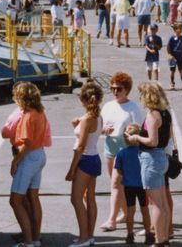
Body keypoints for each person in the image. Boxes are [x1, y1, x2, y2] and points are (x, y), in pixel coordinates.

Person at [126, 82, 173, 247]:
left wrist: (136, 137)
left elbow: (152, 141)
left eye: (142, 96)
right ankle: (165, 237)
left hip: (152, 159)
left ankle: (159, 240)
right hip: (161, 158)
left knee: (156, 204)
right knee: (162, 202)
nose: (140, 99)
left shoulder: (153, 115)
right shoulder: (165, 113)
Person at [101, 72, 145, 233]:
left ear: (126, 90)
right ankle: (126, 213)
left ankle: (111, 219)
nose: (115, 92)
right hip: (110, 143)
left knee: (116, 183)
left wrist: (128, 133)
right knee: (116, 183)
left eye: (118, 89)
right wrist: (103, 129)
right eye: (112, 88)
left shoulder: (132, 107)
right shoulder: (108, 106)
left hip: (125, 146)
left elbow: (138, 129)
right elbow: (99, 126)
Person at [9, 82, 49, 247]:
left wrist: (15, 160)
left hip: (29, 157)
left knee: (15, 200)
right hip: (40, 154)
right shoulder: (40, 112)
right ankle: (35, 237)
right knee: (33, 197)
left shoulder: (27, 115)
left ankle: (28, 240)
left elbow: (27, 143)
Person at [67, 81, 104, 247]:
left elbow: (80, 147)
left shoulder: (87, 119)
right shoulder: (97, 117)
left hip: (85, 160)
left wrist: (72, 169)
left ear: (83, 100)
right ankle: (89, 235)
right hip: (95, 158)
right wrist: (78, 123)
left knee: (76, 199)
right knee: (90, 198)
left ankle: (83, 237)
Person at [115, 123, 151, 245]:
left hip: (128, 185)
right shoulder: (143, 152)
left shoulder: (121, 153)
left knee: (130, 210)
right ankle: (148, 234)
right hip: (143, 185)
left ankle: (129, 234)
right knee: (145, 209)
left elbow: (119, 170)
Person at [167, 23, 182, 91]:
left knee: (181, 70)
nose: (181, 30)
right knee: (172, 71)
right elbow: (168, 47)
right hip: (173, 57)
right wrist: (169, 54)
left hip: (180, 57)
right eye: (179, 28)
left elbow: (181, 46)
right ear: (175, 29)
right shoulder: (171, 38)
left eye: (181, 28)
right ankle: (172, 83)